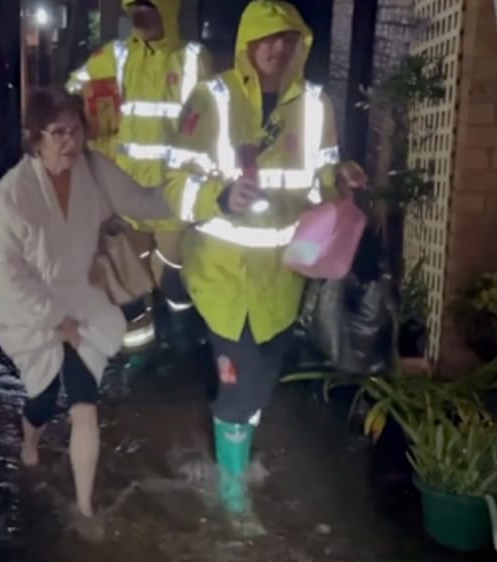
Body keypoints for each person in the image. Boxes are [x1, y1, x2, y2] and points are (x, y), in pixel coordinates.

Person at [163, 0, 368, 519]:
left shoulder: (316, 106)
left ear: (301, 43)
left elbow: (318, 181)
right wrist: (219, 196)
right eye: (266, 38)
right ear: (247, 43)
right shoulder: (212, 99)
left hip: (284, 275)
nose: (277, 48)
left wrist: (341, 180)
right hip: (223, 277)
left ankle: (234, 457)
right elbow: (174, 185)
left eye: (287, 38)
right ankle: (233, 500)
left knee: (260, 384)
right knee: (238, 388)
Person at [0, 87, 174, 536]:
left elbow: (146, 202)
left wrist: (199, 193)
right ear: (36, 138)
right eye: (58, 133)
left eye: (76, 130)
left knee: (85, 404)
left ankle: (85, 509)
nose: (70, 141)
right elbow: (4, 274)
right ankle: (30, 442)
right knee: (45, 399)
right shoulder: (13, 192)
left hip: (84, 301)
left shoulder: (94, 170)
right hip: (32, 308)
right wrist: (55, 319)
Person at [67, 0, 213, 359]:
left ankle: (181, 343)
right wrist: (75, 109)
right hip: (124, 199)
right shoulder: (112, 57)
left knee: (173, 280)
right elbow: (71, 93)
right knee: (131, 284)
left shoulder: (194, 60)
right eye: (134, 6)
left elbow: (214, 122)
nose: (140, 14)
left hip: (173, 200)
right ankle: (140, 358)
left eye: (149, 6)